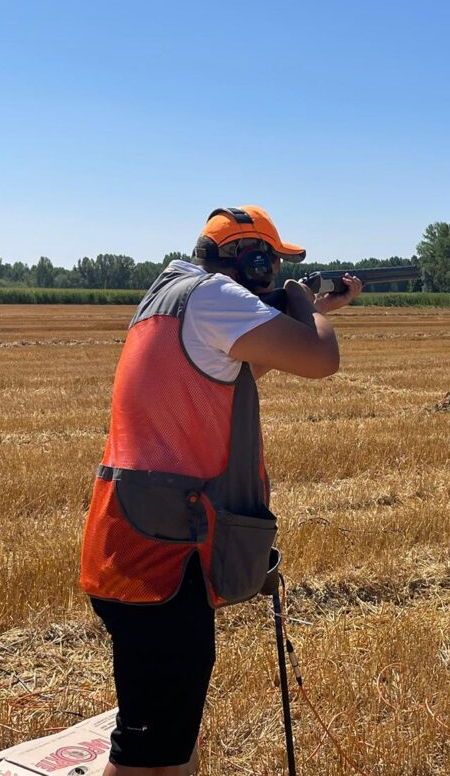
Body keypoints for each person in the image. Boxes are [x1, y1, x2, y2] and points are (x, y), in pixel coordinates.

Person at [79, 206, 362, 776]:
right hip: (159, 553)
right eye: (271, 263)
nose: (275, 273)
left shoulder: (173, 294)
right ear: (252, 261)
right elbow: (321, 359)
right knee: (146, 756)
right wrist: (304, 305)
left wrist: (294, 312)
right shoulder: (213, 298)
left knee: (169, 744)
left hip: (141, 540)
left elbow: (232, 376)